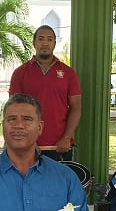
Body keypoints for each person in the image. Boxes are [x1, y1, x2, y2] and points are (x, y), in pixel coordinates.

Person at [9, 25, 81, 161]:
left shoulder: (69, 73)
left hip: (60, 147)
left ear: (54, 43)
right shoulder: (20, 73)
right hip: (28, 146)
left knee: (59, 183)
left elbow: (76, 108)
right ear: (34, 43)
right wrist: (26, 140)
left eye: (49, 39)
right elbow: (14, 110)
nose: (45, 43)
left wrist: (66, 138)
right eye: (41, 39)